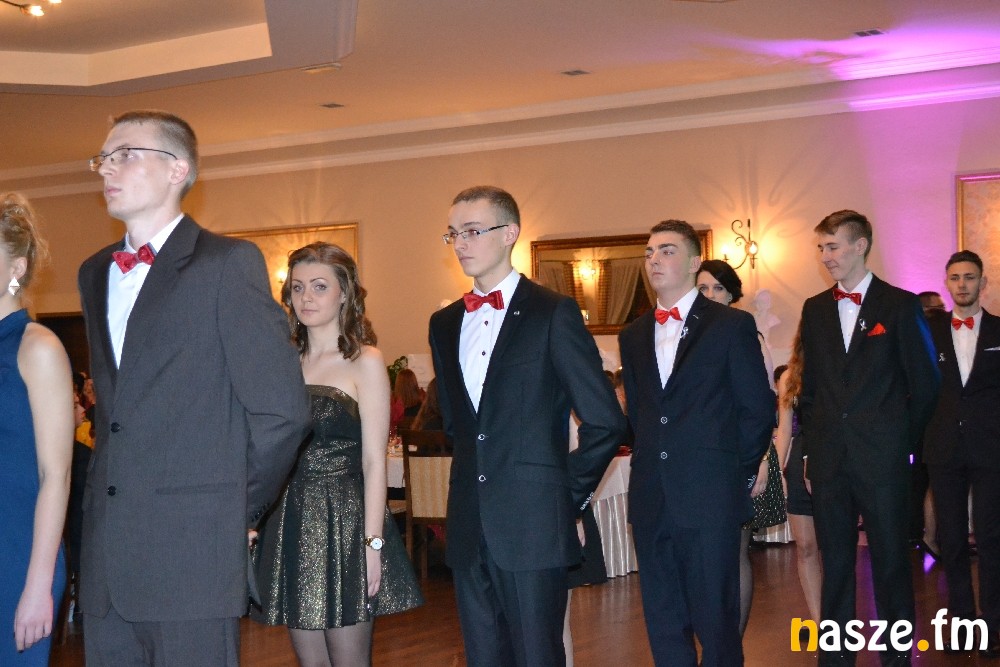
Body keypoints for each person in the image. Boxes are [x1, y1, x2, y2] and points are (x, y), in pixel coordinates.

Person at [78, 110, 312, 666]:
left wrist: (237, 510)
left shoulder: (227, 263)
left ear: (177, 169)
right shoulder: (93, 272)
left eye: (125, 155)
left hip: (194, 550)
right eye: (103, 158)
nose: (107, 169)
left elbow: (283, 412)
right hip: (107, 557)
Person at [428, 185, 626, 666]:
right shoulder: (444, 323)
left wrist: (564, 496)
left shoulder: (552, 312)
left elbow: (605, 421)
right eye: (453, 233)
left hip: (535, 523)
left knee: (538, 656)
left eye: (472, 231)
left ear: (509, 233)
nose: (460, 243)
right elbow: (457, 425)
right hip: (469, 522)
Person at [252, 242, 423, 666]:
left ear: (344, 293)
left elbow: (374, 462)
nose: (306, 297)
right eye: (297, 287)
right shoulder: (281, 361)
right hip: (288, 518)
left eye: (319, 286)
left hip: (345, 519)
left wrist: (372, 544)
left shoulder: (365, 360)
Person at [619, 220, 774, 666]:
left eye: (667, 250)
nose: (654, 260)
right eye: (649, 252)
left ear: (693, 262)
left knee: (716, 619)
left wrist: (731, 475)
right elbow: (640, 414)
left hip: (710, 494)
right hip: (652, 494)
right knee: (663, 618)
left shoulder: (730, 325)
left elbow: (757, 409)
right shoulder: (633, 334)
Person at [799, 210, 939, 666]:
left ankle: (897, 659)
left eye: (832, 246)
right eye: (821, 248)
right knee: (836, 565)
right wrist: (811, 451)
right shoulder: (814, 308)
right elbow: (811, 389)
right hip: (829, 459)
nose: (825, 256)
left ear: (860, 246)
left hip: (884, 459)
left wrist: (900, 444)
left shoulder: (899, 305)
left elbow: (926, 384)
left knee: (892, 564)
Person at [0, 193, 74, 665]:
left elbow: (56, 476)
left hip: (15, 556)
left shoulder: (37, 347)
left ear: (17, 267)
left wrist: (38, 585)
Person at [696, 259, 785, 636]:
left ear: (731, 294)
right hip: (701, 459)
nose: (711, 295)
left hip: (744, 455)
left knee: (735, 549)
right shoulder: (686, 336)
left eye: (718, 288)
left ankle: (731, 642)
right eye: (703, 288)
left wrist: (761, 459)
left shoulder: (746, 332)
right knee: (705, 554)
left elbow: (764, 404)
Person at [923, 250, 1000, 657]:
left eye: (969, 277)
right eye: (955, 277)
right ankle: (963, 623)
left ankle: (993, 625)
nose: (962, 284)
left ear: (982, 282)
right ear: (947, 283)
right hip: (944, 447)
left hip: (992, 448)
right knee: (950, 539)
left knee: (991, 537)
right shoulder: (928, 332)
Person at [774, 332, 823, 627]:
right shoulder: (789, 377)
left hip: (831, 459)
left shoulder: (838, 368)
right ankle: (819, 622)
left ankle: (838, 616)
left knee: (836, 547)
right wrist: (775, 472)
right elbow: (784, 430)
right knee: (805, 546)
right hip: (798, 464)